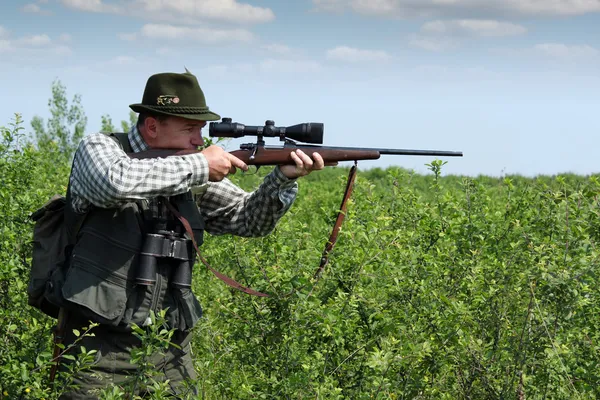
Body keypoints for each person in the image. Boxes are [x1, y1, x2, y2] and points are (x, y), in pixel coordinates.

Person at [55, 70, 326, 399]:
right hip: (96, 347)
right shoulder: (100, 148)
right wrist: (199, 166)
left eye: (200, 129)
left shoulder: (187, 164)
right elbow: (114, 181)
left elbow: (247, 220)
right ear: (153, 125)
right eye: (190, 129)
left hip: (170, 350)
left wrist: (282, 178)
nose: (200, 141)